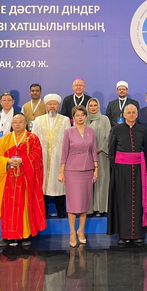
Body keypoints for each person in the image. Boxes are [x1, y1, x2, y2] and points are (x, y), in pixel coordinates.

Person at [0, 114, 46, 248]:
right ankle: (7, 237)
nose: (17, 124)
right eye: (15, 122)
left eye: (20, 122)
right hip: (8, 179)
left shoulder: (32, 138)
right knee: (7, 208)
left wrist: (23, 160)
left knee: (24, 207)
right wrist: (7, 161)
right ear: (11, 124)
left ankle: (25, 236)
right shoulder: (5, 139)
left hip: (25, 179)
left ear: (25, 123)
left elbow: (37, 156)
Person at [107, 104, 147, 246]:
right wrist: (117, 169)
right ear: (124, 115)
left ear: (137, 115)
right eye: (128, 113)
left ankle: (137, 234)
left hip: (138, 170)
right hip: (121, 171)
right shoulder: (116, 129)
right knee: (123, 201)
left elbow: (146, 149)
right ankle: (123, 234)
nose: (131, 115)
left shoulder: (142, 130)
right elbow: (111, 152)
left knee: (138, 201)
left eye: (133, 113)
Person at [59, 106, 98, 247]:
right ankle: (72, 232)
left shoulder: (91, 132)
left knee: (84, 203)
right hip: (71, 170)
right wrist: (61, 172)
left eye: (82, 115)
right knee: (72, 203)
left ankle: (81, 230)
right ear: (73, 117)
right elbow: (64, 153)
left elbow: (94, 151)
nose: (80, 117)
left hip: (87, 170)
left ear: (86, 116)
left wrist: (96, 168)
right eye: (77, 115)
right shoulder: (69, 132)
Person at [31, 93, 71, 218]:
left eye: (54, 104)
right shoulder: (38, 120)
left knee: (59, 184)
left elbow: (68, 140)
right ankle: (43, 210)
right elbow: (34, 138)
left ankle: (61, 210)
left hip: (59, 158)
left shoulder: (65, 120)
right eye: (49, 104)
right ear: (46, 105)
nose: (52, 106)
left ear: (58, 106)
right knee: (43, 184)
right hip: (41, 158)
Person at [0, 92, 21, 215]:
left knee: (14, 181)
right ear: (0, 102)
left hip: (15, 154)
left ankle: (14, 208)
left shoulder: (19, 116)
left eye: (9, 100)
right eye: (4, 100)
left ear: (13, 102)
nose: (6, 102)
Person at [86, 98, 111, 217]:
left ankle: (100, 209)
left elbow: (109, 136)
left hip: (101, 155)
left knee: (102, 180)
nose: (93, 107)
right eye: (90, 105)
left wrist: (100, 149)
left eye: (95, 105)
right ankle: (89, 209)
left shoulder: (104, 119)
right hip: (86, 157)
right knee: (88, 182)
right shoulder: (84, 120)